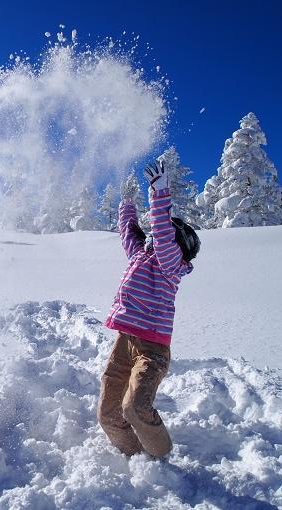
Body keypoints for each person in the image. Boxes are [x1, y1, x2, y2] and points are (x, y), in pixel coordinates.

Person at [97, 161, 200, 458]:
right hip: (124, 342)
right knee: (109, 413)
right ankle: (133, 455)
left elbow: (163, 232)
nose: (156, 238)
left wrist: (159, 193)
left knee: (135, 407)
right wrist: (126, 203)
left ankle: (161, 457)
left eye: (166, 235)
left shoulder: (171, 266)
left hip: (152, 348)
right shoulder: (141, 255)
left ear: (179, 245)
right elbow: (129, 232)